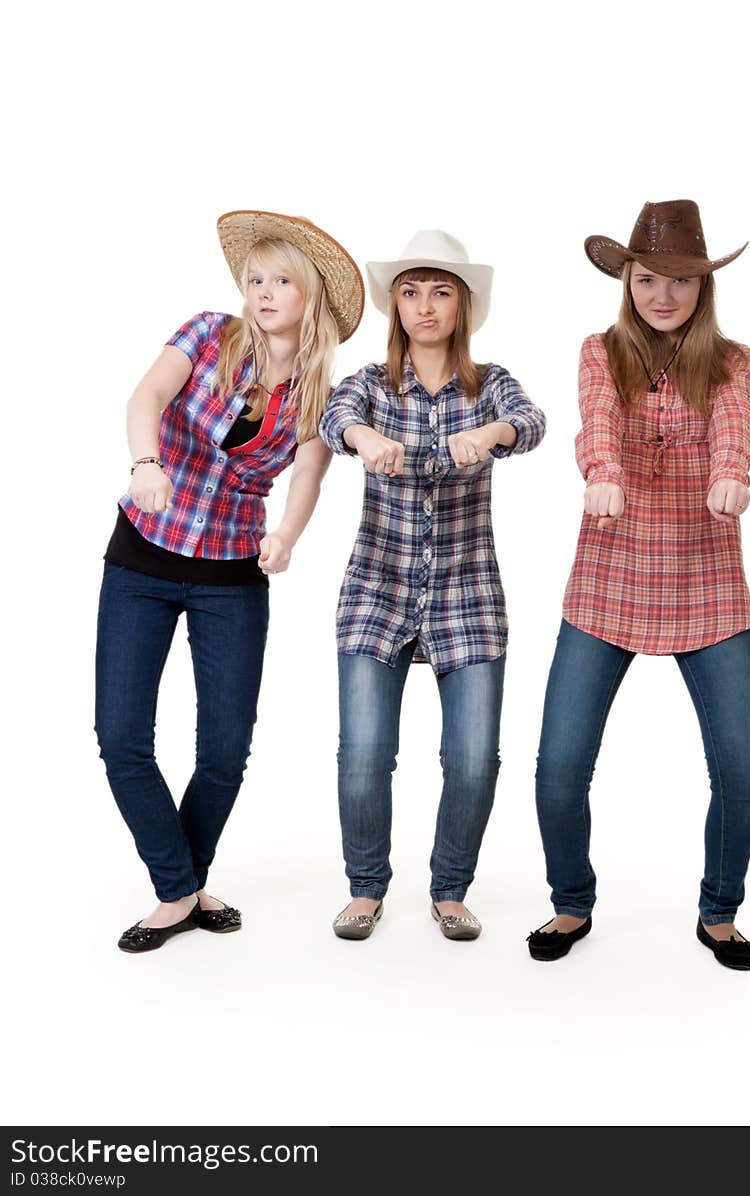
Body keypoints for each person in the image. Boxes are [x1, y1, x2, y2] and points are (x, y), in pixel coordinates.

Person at [95, 210, 364, 953]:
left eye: (282, 281)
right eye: (256, 279)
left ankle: (182, 885)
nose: (264, 292)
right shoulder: (209, 333)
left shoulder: (317, 391)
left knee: (223, 751)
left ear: (310, 298)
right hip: (143, 557)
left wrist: (287, 534)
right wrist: (145, 463)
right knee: (121, 739)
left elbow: (308, 473)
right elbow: (145, 396)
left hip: (233, 577)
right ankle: (180, 888)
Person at [528, 200, 750, 969]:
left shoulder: (734, 360)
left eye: (680, 281)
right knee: (560, 766)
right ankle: (571, 904)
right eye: (647, 278)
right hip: (608, 578)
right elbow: (596, 420)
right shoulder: (601, 351)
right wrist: (602, 474)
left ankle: (719, 910)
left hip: (707, 580)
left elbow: (735, 423)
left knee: (742, 767)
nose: (662, 295)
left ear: (703, 288)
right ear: (626, 279)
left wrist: (732, 474)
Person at [320, 230, 545, 941]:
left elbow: (532, 421)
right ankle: (365, 888)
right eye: (412, 293)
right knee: (363, 755)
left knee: (474, 759)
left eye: (441, 292)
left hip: (467, 596)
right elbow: (333, 418)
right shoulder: (370, 385)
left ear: (463, 306)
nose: (425, 306)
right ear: (397, 305)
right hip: (375, 592)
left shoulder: (490, 383)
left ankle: (450, 890)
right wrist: (363, 440)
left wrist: (494, 436)